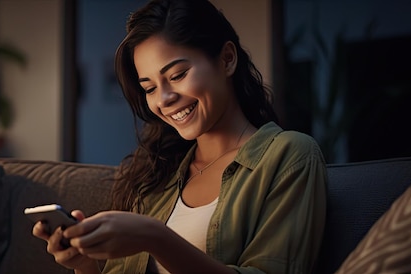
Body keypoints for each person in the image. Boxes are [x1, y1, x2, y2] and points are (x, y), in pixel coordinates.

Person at [33, 0, 328, 273]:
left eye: (177, 75)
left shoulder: (290, 155)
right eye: (149, 88)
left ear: (227, 59)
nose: (164, 99)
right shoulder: (155, 175)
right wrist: (84, 264)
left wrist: (155, 237)